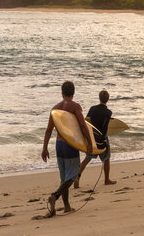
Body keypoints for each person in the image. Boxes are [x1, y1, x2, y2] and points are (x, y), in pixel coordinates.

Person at [41, 81, 93, 217]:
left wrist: (45, 148)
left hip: (59, 145)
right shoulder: (75, 106)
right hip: (70, 145)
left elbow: (48, 130)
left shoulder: (55, 108)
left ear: (62, 93)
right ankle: (55, 196)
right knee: (74, 175)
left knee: (64, 177)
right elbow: (82, 125)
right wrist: (89, 143)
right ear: (73, 92)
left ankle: (67, 206)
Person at [74, 89, 116, 188]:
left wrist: (86, 138)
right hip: (101, 138)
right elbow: (104, 128)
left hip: (91, 137)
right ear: (107, 100)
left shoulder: (92, 109)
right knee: (106, 159)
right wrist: (104, 141)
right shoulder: (108, 112)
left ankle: (77, 178)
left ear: (99, 98)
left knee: (87, 159)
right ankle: (106, 180)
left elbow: (87, 122)